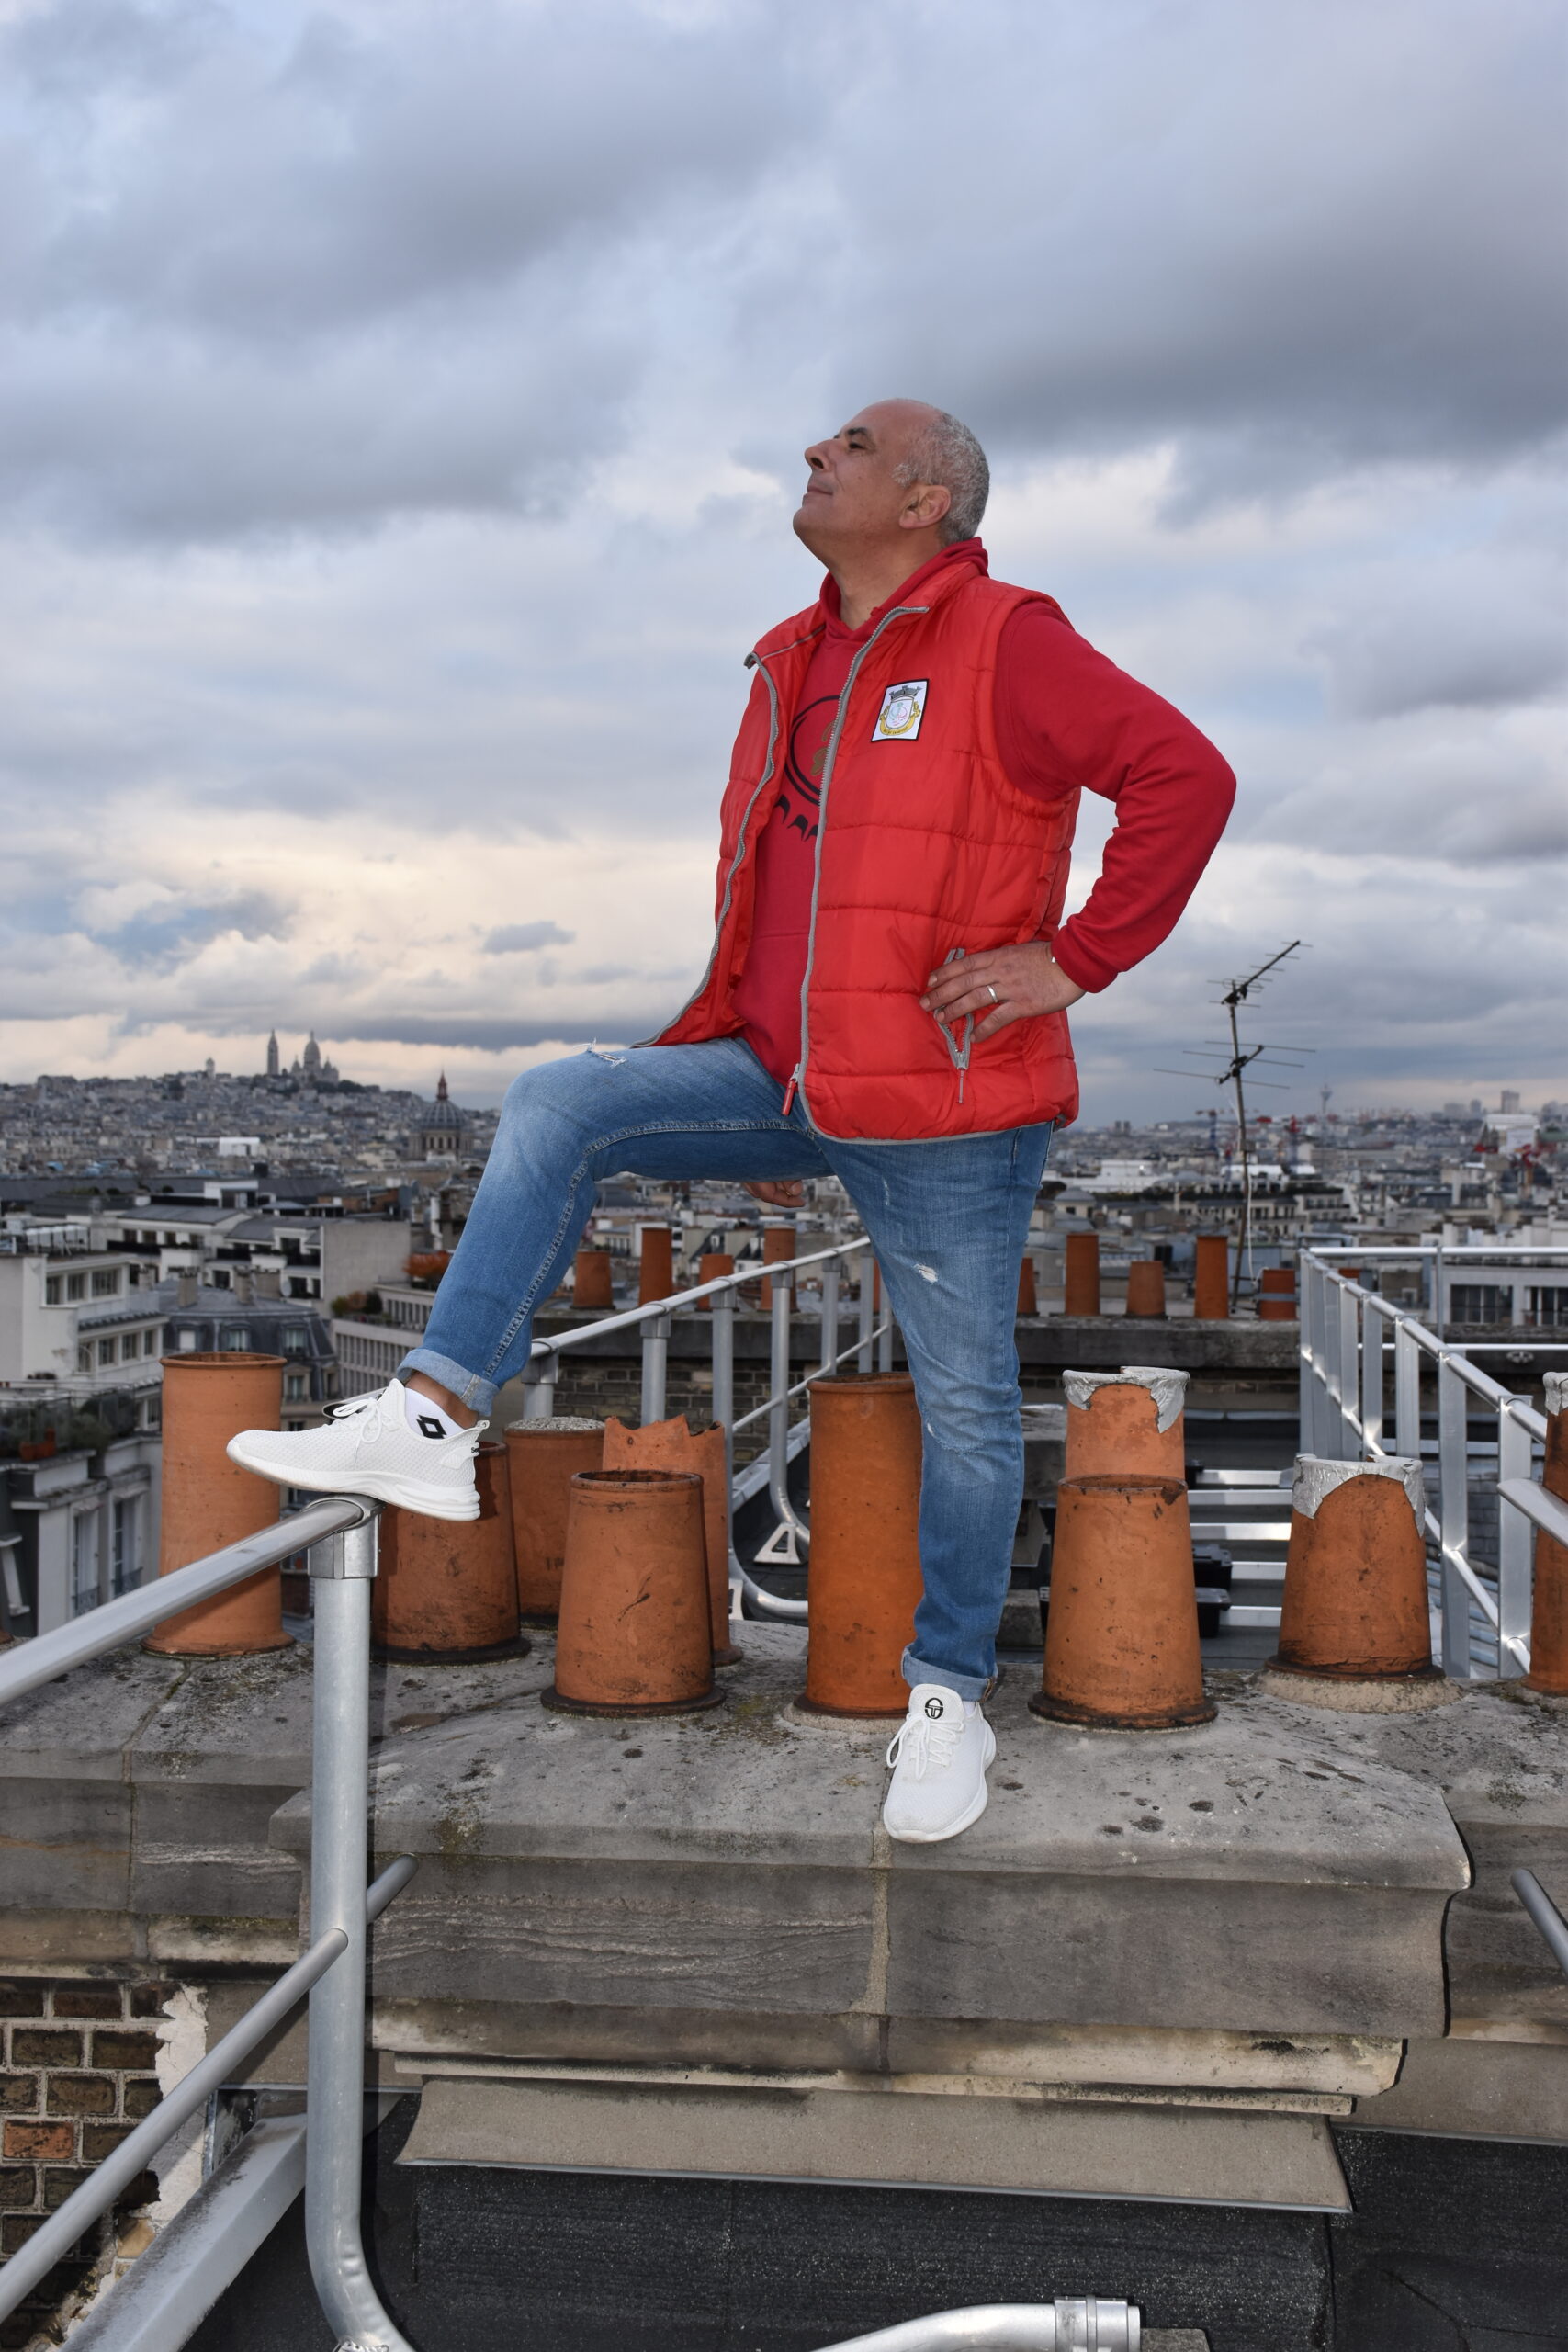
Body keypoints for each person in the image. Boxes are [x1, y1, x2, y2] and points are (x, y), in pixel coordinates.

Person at [229, 399, 1235, 1843]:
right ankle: (434, 1414)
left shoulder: (1008, 638)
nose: (817, 453)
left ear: (928, 500)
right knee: (563, 1100)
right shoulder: (787, 660)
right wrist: (733, 1070)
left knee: (964, 1405)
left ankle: (946, 1693)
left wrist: (1073, 959)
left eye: (854, 445)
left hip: (945, 1101)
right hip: (780, 1074)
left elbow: (1186, 777)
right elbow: (775, 902)